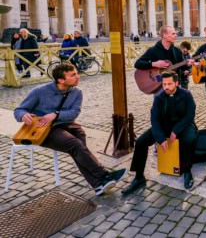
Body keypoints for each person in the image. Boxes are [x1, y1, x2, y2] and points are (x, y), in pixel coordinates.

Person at [14, 64, 127, 195]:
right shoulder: (39, 91)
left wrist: (55, 115)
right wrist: (23, 116)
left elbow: (74, 113)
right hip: (44, 131)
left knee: (79, 146)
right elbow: (19, 110)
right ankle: (104, 175)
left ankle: (98, 185)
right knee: (75, 145)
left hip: (68, 125)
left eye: (76, 73)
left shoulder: (76, 92)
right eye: (73, 75)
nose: (78, 77)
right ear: (60, 80)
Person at [122, 71, 197, 195]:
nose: (166, 87)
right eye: (164, 84)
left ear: (177, 83)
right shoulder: (159, 97)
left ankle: (187, 171)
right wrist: (160, 138)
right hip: (164, 126)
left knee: (189, 139)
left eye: (169, 84)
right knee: (141, 142)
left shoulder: (186, 95)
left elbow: (190, 115)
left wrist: (176, 130)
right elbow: (154, 119)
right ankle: (139, 177)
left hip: (183, 125)